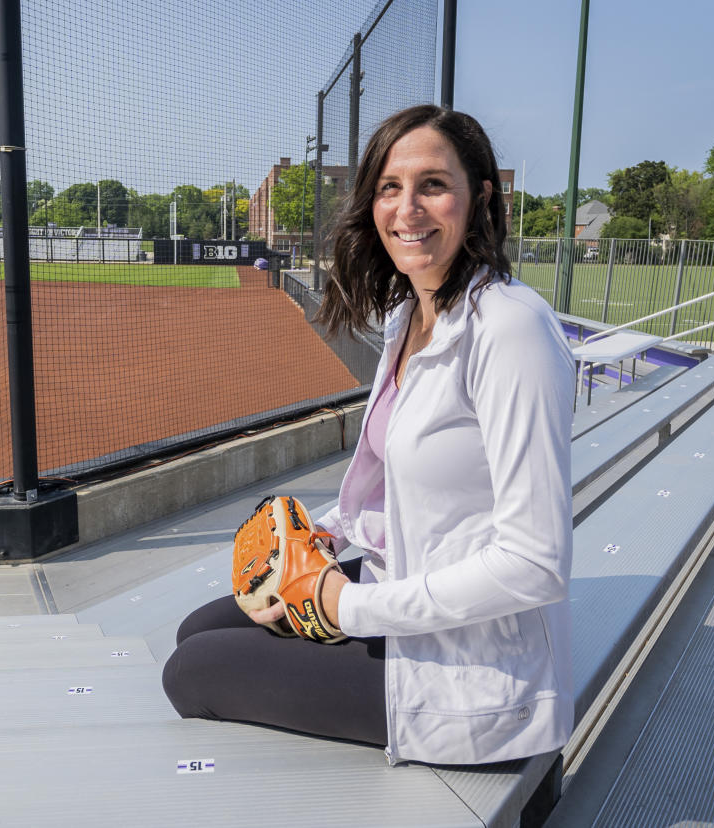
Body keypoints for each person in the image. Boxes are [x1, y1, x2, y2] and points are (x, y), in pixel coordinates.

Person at [162, 104, 574, 766]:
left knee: (191, 670)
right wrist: (326, 534)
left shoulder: (511, 330)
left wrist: (348, 605)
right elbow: (396, 491)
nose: (407, 209)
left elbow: (537, 564)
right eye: (390, 187)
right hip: (403, 589)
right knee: (200, 627)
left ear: (480, 199)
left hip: (470, 675)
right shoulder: (409, 314)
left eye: (433, 185)